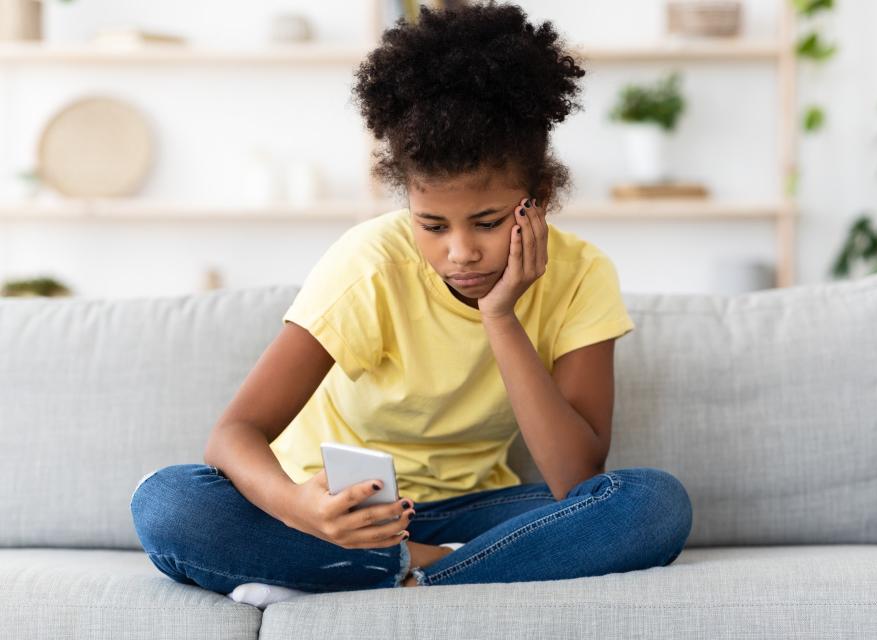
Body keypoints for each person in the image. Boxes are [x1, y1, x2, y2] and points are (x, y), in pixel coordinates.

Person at [130, 1, 692, 607]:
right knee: (167, 501)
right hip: (339, 512)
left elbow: (576, 478)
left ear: (540, 200)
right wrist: (303, 508)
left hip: (471, 514)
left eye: (488, 222)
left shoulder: (582, 274)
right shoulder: (370, 263)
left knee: (652, 504)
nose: (461, 253)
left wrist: (500, 317)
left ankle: (397, 574)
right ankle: (421, 569)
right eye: (432, 225)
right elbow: (234, 433)